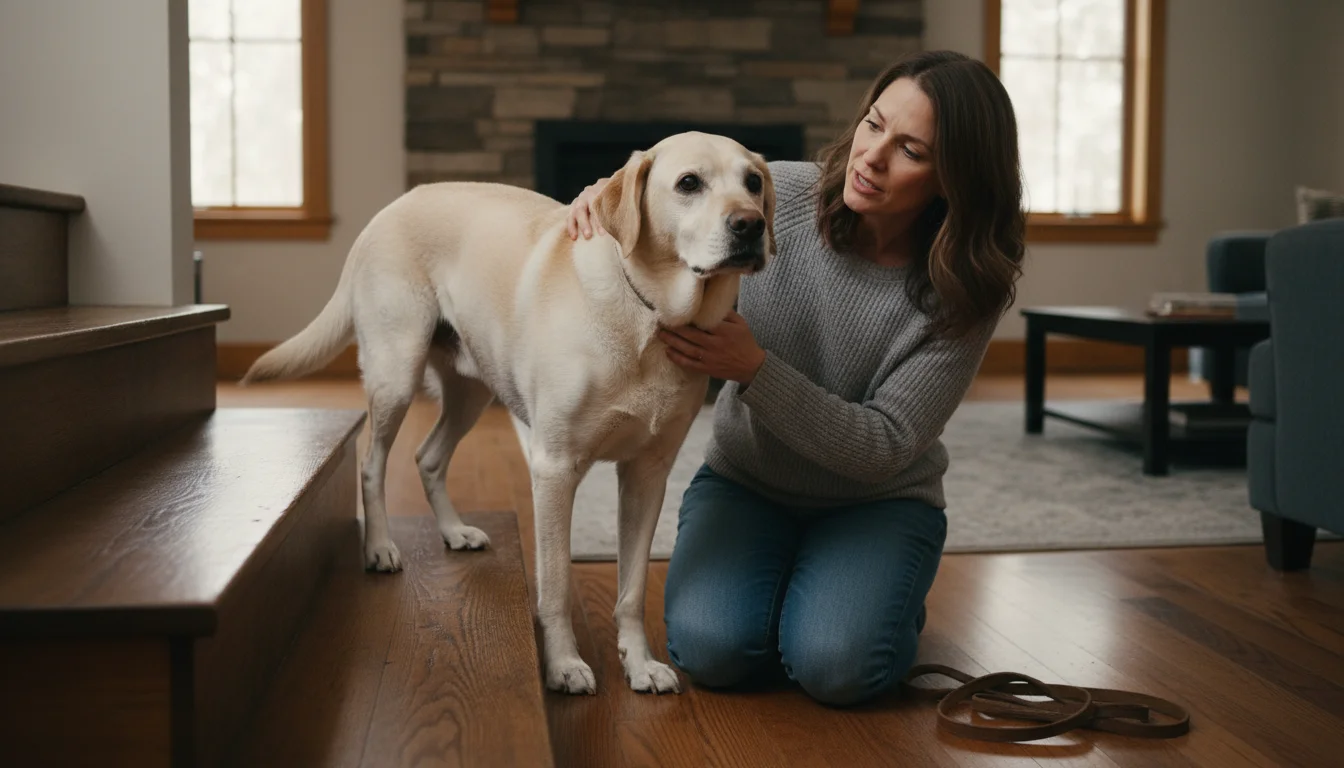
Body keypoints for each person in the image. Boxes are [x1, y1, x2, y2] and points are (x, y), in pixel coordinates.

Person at [564, 50, 1026, 707]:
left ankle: (865, 595)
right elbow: (660, 200)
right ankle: (808, 591)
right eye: (873, 124)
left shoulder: (965, 291)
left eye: (911, 149)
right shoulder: (770, 194)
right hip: (747, 482)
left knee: (841, 668)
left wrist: (754, 369)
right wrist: (597, 201)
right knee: (710, 652)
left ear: (955, 177)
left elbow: (886, 446)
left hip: (877, 502)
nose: (871, 156)